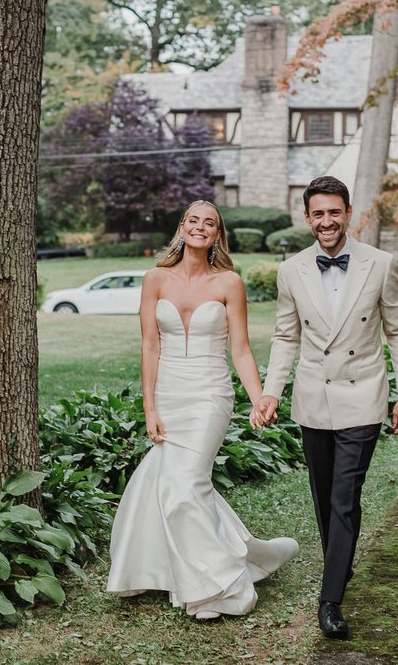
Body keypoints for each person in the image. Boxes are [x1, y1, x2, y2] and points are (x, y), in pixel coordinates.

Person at [106, 200, 300, 620]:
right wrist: (149, 407)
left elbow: (242, 350)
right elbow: (150, 346)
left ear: (216, 235)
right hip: (170, 395)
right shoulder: (154, 279)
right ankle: (251, 556)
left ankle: (226, 588)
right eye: (193, 220)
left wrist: (259, 398)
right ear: (182, 227)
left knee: (184, 487)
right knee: (179, 487)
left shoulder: (230, 282)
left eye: (209, 223)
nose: (200, 227)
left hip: (211, 394)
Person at [257, 176, 398, 639]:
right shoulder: (291, 270)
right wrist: (271, 391)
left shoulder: (381, 264)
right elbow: (286, 336)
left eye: (334, 212)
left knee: (345, 497)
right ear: (307, 218)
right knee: (324, 496)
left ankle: (329, 600)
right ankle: (339, 564)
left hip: (363, 395)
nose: (326, 221)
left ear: (349, 213)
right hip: (313, 396)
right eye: (317, 214)